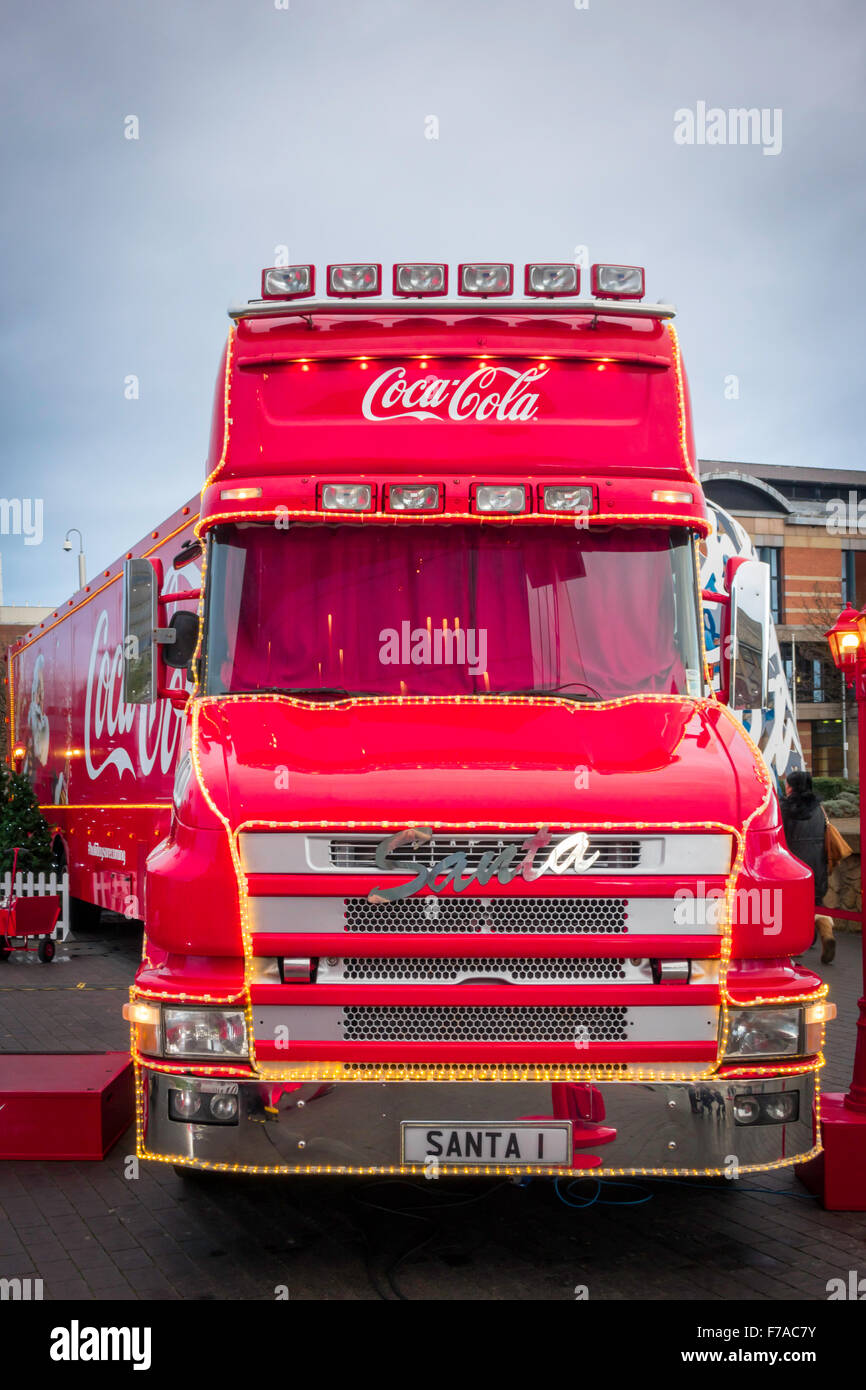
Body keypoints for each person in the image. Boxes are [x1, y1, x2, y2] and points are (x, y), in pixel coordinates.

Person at [780, 769, 835, 965]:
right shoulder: (819, 808)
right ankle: (827, 934)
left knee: (790, 904)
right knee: (816, 902)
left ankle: (797, 945)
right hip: (817, 864)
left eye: (788, 784)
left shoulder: (784, 809)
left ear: (792, 787)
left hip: (793, 864)